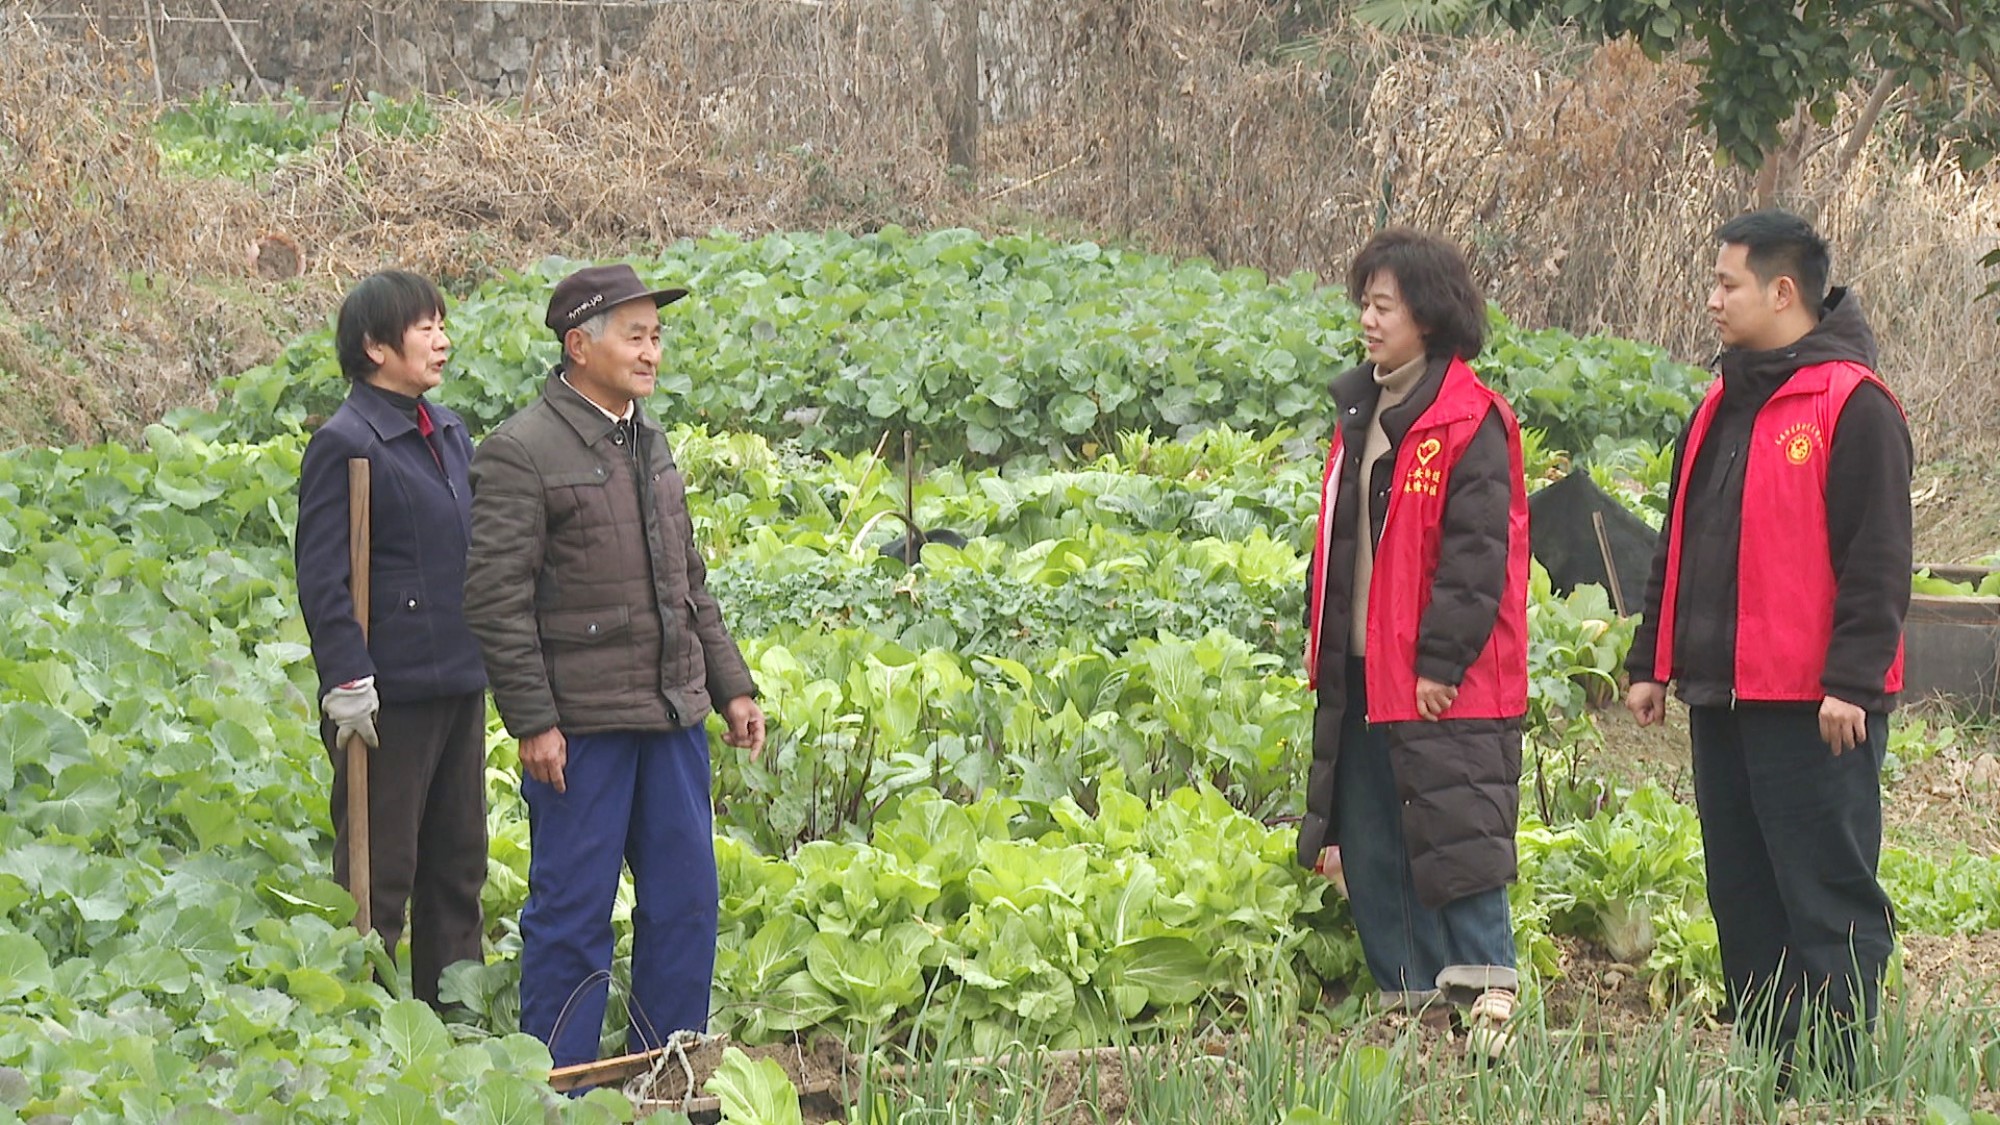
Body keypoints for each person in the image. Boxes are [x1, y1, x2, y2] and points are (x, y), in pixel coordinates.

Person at [1626, 209, 1910, 1084]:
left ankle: (1835, 1072)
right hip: (1723, 695)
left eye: (1728, 284)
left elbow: (1879, 560)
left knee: (1823, 887)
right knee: (1742, 891)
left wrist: (1852, 683)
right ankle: (1774, 1062)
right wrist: (1650, 661)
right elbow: (1678, 541)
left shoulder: (1853, 405)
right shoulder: (1719, 402)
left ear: (1783, 292)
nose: (1713, 300)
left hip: (1815, 706)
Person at [462, 263, 766, 1067]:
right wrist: (533, 721)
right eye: (635, 336)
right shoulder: (521, 451)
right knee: (571, 914)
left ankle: (665, 1078)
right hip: (582, 731)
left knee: (687, 904)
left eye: (657, 336)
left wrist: (731, 686)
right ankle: (559, 1090)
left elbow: (687, 581)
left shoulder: (650, 442)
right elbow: (496, 600)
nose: (652, 352)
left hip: (670, 718)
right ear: (578, 345)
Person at [1299, 228, 1531, 1060]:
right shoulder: (1360, 411)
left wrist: (1441, 661)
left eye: (1382, 305)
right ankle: (1411, 1000)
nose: (1366, 319)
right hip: (1363, 669)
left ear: (1427, 317)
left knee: (1456, 835)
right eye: (1363, 302)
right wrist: (1319, 640)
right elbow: (1338, 540)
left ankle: (1488, 1004)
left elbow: (1476, 560)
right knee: (1370, 836)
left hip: (1441, 677)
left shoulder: (1470, 419)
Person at [296, 270, 489, 1008]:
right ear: (375, 346)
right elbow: (322, 575)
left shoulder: (448, 433)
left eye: (442, 323)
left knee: (458, 864)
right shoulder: (346, 442)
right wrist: (347, 674)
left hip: (459, 681)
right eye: (424, 327)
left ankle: (453, 1020)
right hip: (386, 696)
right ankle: (365, 1022)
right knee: (381, 874)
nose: (442, 340)